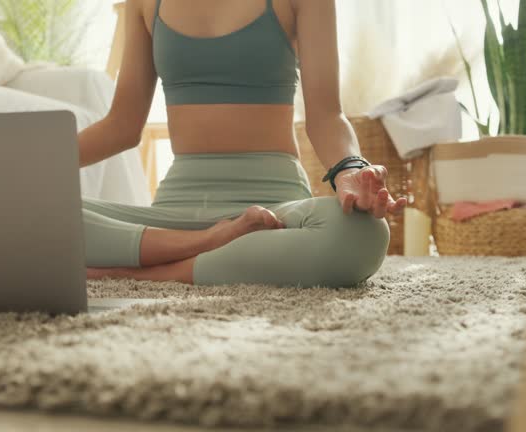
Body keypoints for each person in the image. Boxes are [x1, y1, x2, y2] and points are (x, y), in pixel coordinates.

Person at [78, 0, 407, 287]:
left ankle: (150, 272)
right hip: (175, 213)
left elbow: (327, 116)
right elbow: (121, 126)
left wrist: (350, 168)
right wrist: (33, 165)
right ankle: (208, 243)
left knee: (364, 233)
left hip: (274, 214)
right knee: (39, 216)